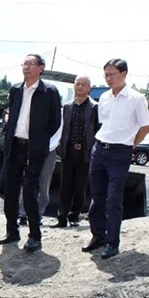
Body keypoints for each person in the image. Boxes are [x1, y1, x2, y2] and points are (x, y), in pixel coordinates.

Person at [82, 59, 149, 259]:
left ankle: (112, 242)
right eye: (106, 75)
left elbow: (145, 126)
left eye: (112, 74)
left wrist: (131, 144)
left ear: (124, 74)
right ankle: (98, 235)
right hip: (100, 149)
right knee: (96, 196)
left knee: (113, 198)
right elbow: (105, 124)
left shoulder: (136, 98)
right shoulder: (104, 97)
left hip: (120, 152)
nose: (109, 78)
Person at [0, 54, 62, 252]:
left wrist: (40, 139)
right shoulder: (16, 89)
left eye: (31, 64)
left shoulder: (49, 91)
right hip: (14, 146)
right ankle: (12, 231)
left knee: (29, 190)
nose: (26, 67)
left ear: (41, 68)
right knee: (10, 190)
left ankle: (35, 235)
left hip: (34, 149)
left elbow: (55, 122)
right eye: (24, 63)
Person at [52, 75, 99, 228]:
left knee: (80, 186)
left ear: (89, 88)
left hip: (85, 151)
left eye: (83, 84)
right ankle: (61, 217)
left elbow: (97, 130)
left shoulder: (94, 107)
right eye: (77, 84)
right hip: (68, 150)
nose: (80, 87)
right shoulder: (67, 107)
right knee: (65, 185)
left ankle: (74, 216)